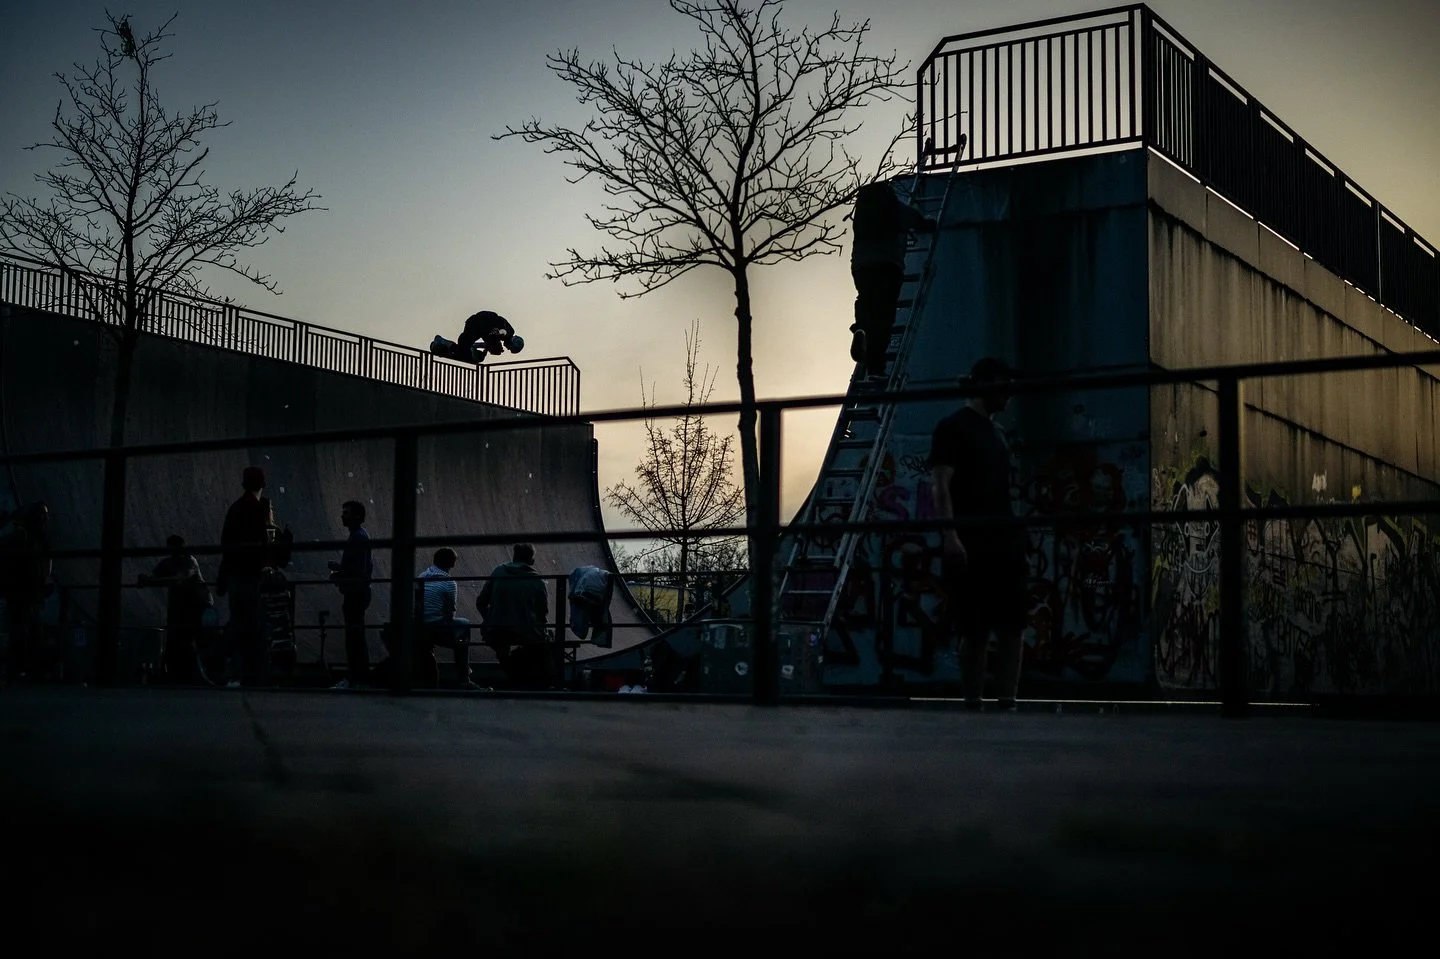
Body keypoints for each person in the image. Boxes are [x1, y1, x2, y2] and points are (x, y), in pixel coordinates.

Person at [927, 357, 1026, 712]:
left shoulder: (997, 434)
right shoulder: (953, 428)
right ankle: (973, 703)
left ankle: (1007, 702)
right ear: (987, 385)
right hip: (974, 542)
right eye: (1004, 386)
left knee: (1013, 626)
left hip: (1005, 542)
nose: (1010, 394)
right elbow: (940, 485)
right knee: (976, 628)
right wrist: (951, 537)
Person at [849, 178, 938, 379]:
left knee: (865, 301)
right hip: (887, 265)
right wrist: (928, 223)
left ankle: (861, 328)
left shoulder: (862, 212)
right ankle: (875, 369)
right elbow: (913, 218)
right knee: (884, 315)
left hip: (861, 266)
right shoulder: (891, 206)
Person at [214, 466, 290, 689]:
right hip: (249, 576)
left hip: (239, 575)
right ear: (263, 484)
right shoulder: (255, 509)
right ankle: (219, 660)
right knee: (248, 624)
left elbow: (228, 543)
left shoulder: (238, 507)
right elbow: (261, 546)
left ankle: (239, 672)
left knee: (245, 623)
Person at [138, 534, 211, 684]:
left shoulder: (189, 561)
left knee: (195, 638)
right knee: (177, 639)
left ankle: (195, 673)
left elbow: (181, 577)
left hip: (196, 607)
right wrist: (148, 579)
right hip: (183, 607)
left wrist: (150, 580)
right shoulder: (170, 563)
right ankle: (177, 674)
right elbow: (156, 576)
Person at [476, 543, 551, 689]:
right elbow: (543, 613)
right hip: (525, 632)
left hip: (497, 631)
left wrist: (489, 619)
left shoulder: (498, 572)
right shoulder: (537, 581)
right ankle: (531, 681)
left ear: (514, 556)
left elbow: (481, 602)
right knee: (542, 643)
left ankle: (511, 671)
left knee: (502, 647)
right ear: (531, 560)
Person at [1, 502, 53, 682]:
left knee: (26, 631)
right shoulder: (25, 540)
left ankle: (21, 669)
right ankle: (19, 670)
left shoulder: (32, 540)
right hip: (23, 594)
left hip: (26, 594)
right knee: (23, 631)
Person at [418, 547, 479, 690]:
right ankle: (464, 676)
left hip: (420, 624)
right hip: (436, 625)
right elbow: (450, 614)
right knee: (464, 625)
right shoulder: (449, 583)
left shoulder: (421, 576)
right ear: (452, 564)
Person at [328, 501, 373, 690]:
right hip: (358, 592)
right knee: (356, 636)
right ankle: (358, 678)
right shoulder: (359, 536)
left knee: (354, 637)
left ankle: (355, 678)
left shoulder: (357, 538)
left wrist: (339, 574)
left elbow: (359, 570)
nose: (342, 516)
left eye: (346, 513)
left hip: (355, 593)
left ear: (356, 516)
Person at [430, 310, 523, 364]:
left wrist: (486, 349)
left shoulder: (506, 333)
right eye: (510, 348)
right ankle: (441, 341)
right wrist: (488, 348)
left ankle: (452, 345)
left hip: (481, 327)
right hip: (477, 324)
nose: (507, 348)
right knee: (464, 346)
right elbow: (498, 333)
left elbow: (491, 339)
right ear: (513, 344)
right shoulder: (505, 333)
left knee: (465, 346)